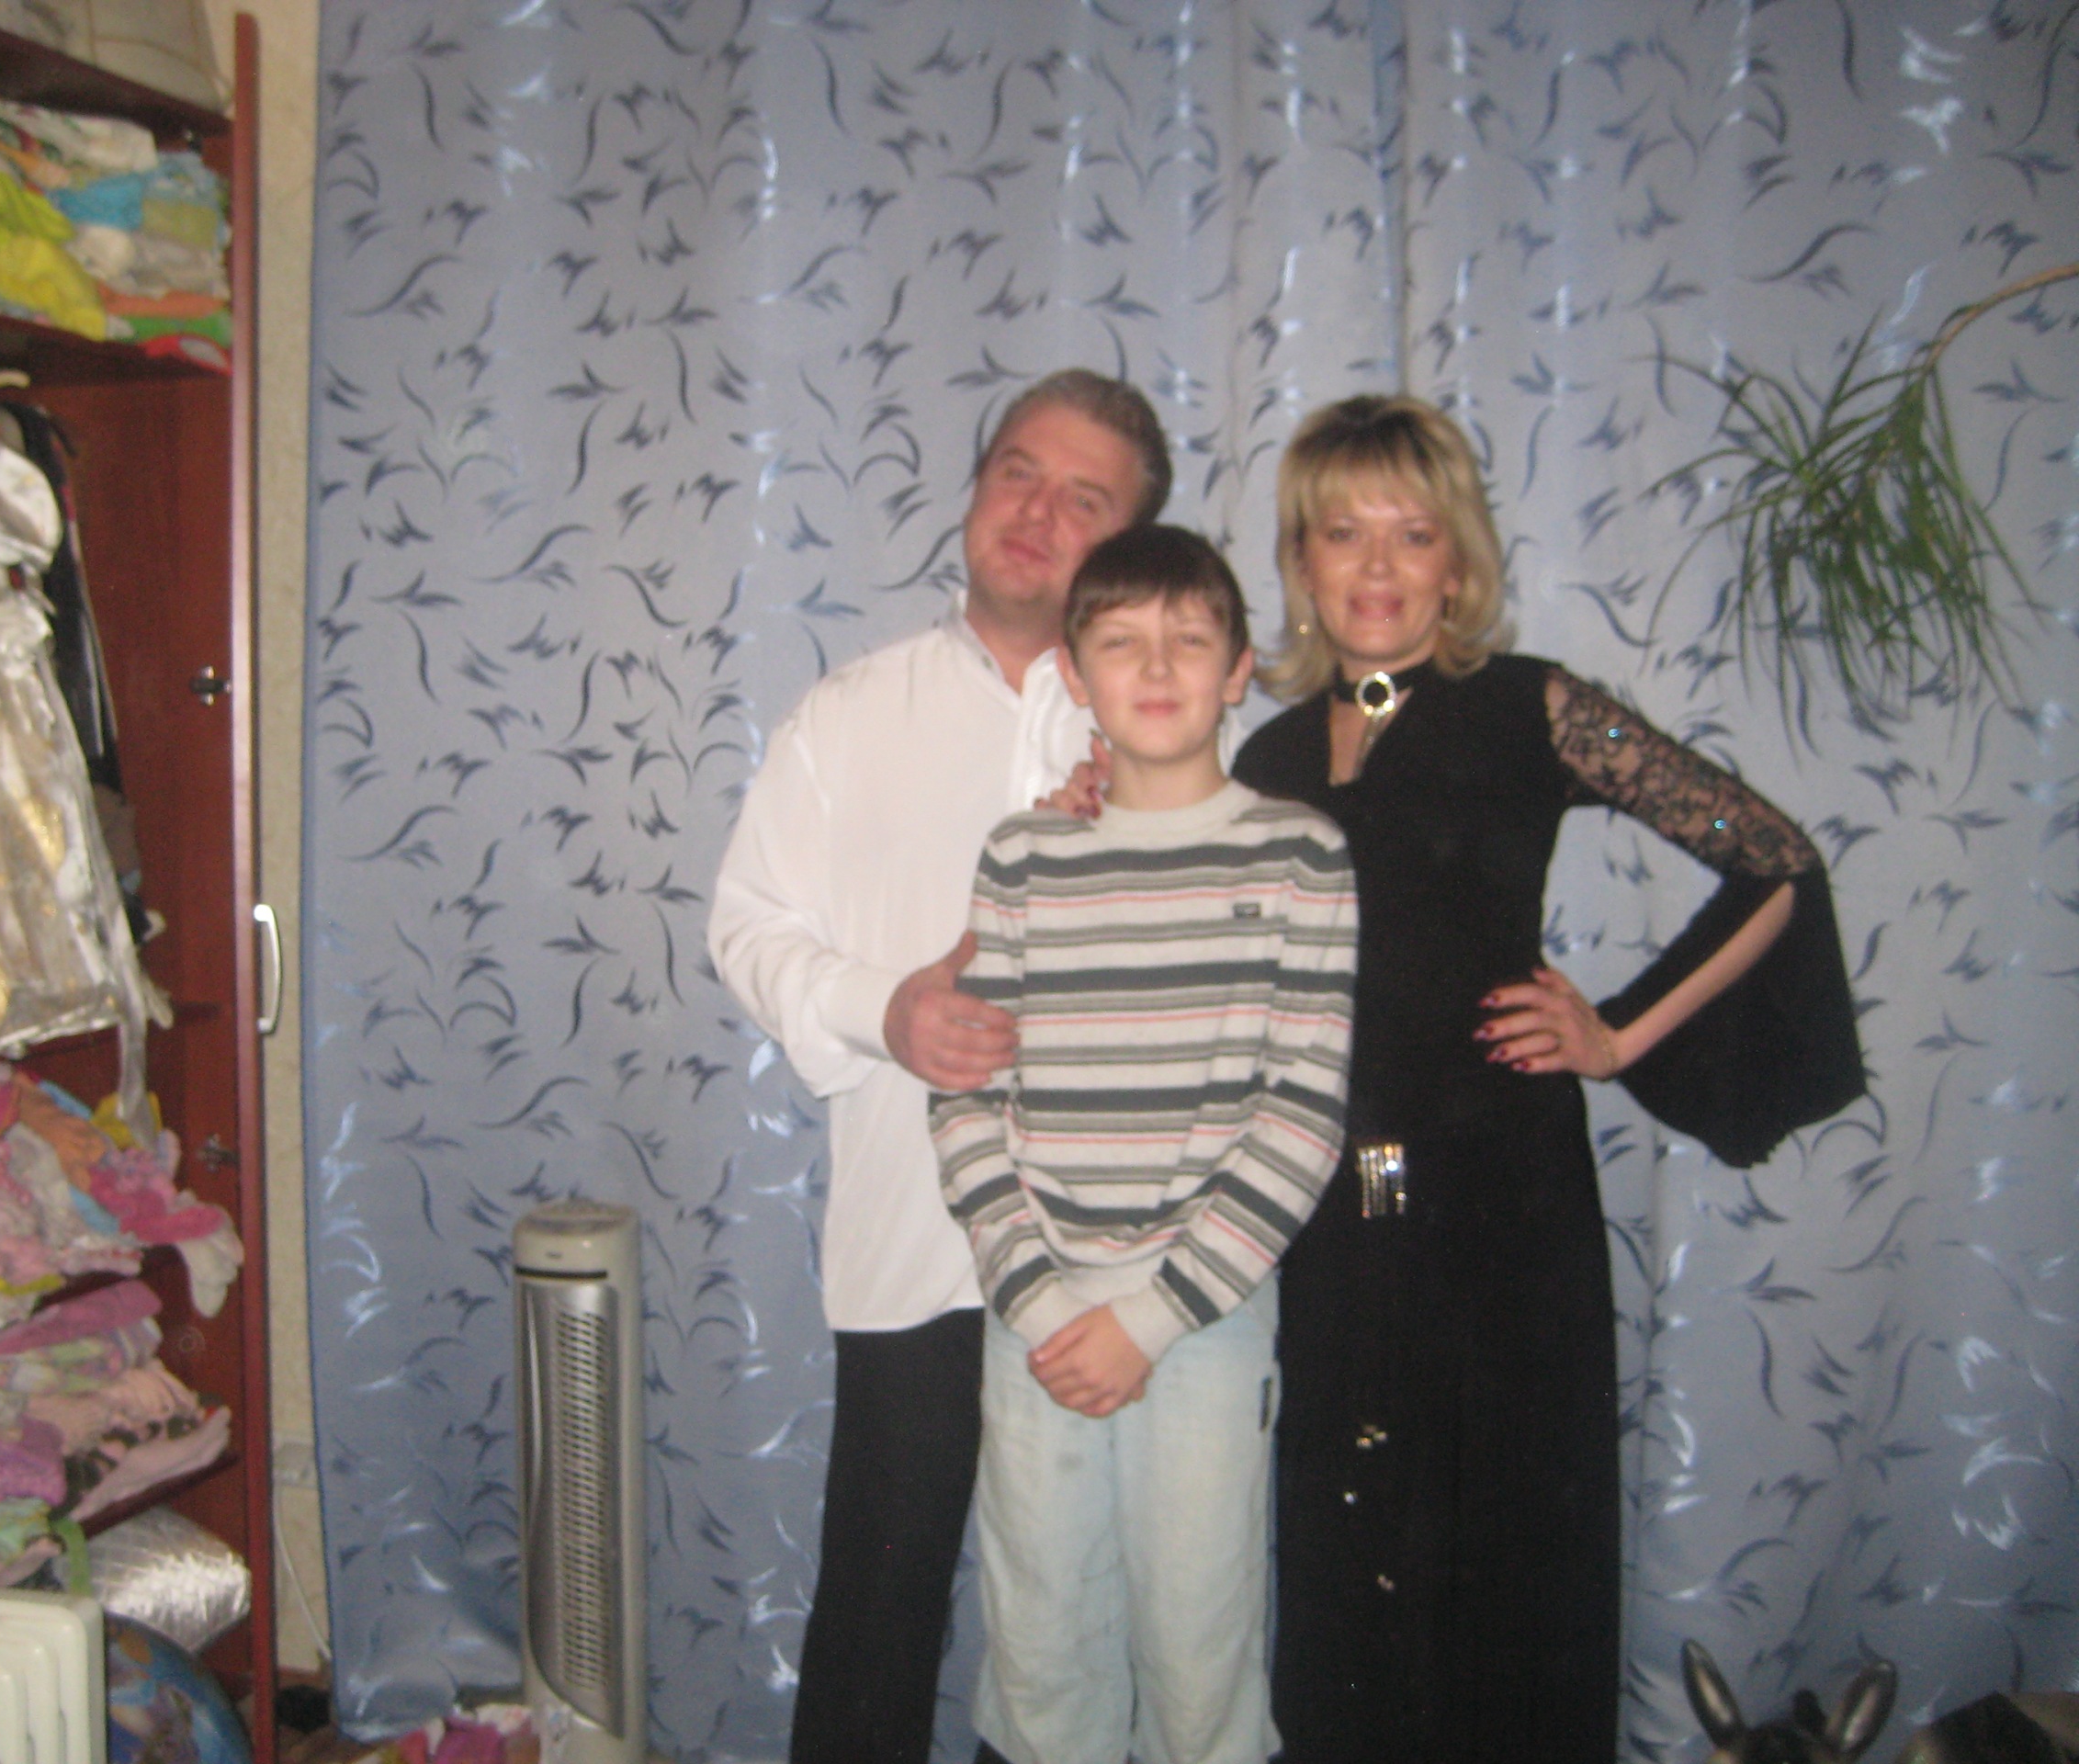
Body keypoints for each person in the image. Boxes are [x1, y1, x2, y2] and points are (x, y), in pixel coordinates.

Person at [1227, 394, 1864, 1762]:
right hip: (1344, 1191)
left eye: (1413, 534)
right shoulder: (1270, 758)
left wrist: (1620, 1035)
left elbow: (1773, 859)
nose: (1379, 567)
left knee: (1502, 1530)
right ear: (1301, 560)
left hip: (1498, 1190)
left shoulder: (1530, 706)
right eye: (1344, 533)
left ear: (1458, 564)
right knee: (1350, 1504)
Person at [706, 369, 1174, 1764]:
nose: (1037, 510)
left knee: (1095, 1625)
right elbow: (746, 924)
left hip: (1121, 1262)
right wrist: (884, 1011)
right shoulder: (850, 713)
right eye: (1018, 471)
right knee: (881, 1601)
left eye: (1085, 498)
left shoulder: (1165, 725)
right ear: (975, 490)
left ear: (1132, 544)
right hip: (916, 1240)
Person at [929, 526, 1355, 1764]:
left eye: (1190, 640)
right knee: (1044, 1640)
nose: (1157, 668)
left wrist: (1156, 1316)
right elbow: (965, 1095)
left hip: (1205, 1320)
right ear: (1075, 673)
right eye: (1121, 642)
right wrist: (1038, 1295)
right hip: (1039, 1316)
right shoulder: (1022, 856)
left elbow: (1301, 1116)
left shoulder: (1300, 855)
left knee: (1199, 1647)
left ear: (1239, 669)